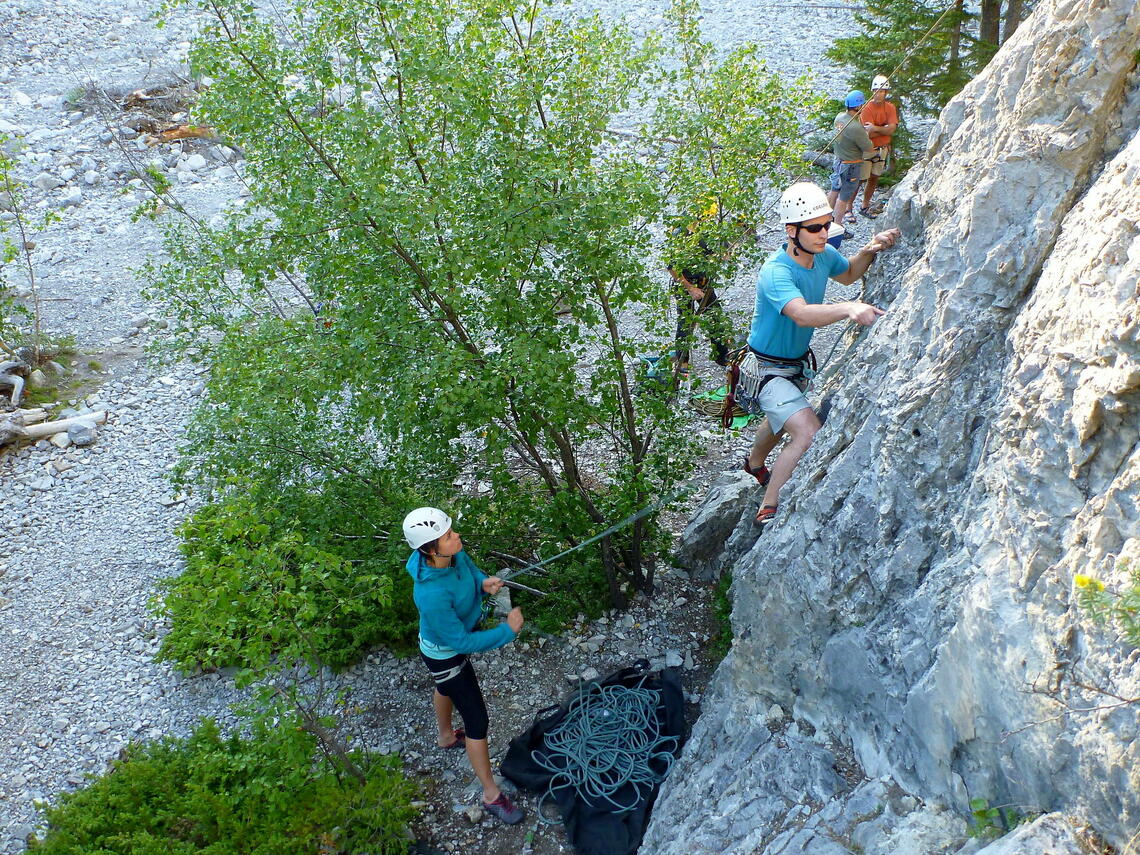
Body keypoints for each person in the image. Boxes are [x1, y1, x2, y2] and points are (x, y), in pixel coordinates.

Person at [738, 182, 899, 526]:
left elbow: (849, 273)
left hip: (792, 365)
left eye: (826, 225)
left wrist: (869, 249)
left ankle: (754, 463)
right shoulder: (776, 272)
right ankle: (768, 507)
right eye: (814, 228)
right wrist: (848, 308)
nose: (824, 233)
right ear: (791, 230)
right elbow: (800, 313)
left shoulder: (822, 255)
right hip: (766, 369)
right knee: (807, 430)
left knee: (782, 417)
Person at [403, 506, 526, 825]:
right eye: (447, 535)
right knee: (477, 720)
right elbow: (462, 643)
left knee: (444, 687)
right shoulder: (430, 594)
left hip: (440, 648)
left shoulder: (452, 554)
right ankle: (491, 795)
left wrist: (484, 583)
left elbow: (470, 570)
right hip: (446, 655)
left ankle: (445, 736)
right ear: (431, 550)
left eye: (451, 531)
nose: (456, 536)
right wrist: (507, 632)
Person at [664, 209, 736, 377]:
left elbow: (723, 253)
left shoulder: (709, 232)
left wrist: (725, 254)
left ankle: (721, 355)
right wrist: (690, 288)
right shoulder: (680, 234)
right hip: (685, 284)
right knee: (686, 321)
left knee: (715, 316)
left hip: (703, 281)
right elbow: (672, 267)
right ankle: (682, 361)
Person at [827, 91, 874, 228]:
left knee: (834, 189)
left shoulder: (839, 117)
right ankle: (837, 226)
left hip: (838, 161)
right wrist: (867, 133)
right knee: (844, 197)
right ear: (858, 106)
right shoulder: (855, 127)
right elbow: (869, 148)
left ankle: (825, 221)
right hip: (851, 165)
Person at [858, 76, 898, 218]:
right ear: (873, 91)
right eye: (877, 91)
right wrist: (883, 129)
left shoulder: (890, 107)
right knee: (861, 178)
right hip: (868, 149)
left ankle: (865, 205)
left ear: (886, 92)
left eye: (881, 91)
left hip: (882, 149)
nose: (879, 94)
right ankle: (848, 208)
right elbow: (868, 133)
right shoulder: (866, 108)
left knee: (874, 177)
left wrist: (875, 128)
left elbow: (891, 129)